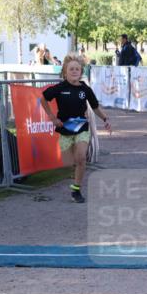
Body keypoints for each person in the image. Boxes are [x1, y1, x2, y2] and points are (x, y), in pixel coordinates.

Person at [39, 55, 112, 203]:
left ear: (81, 72)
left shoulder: (85, 89)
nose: (74, 71)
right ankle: (75, 173)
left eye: (77, 69)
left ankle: (76, 190)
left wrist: (105, 118)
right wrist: (53, 118)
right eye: (71, 69)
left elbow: (95, 107)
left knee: (80, 157)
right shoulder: (59, 88)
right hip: (65, 129)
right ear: (65, 72)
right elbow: (43, 98)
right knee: (68, 162)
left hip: (81, 126)